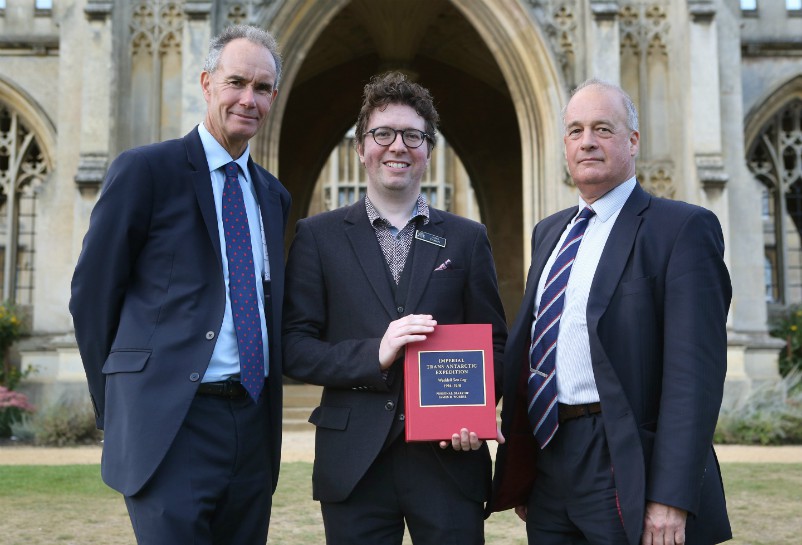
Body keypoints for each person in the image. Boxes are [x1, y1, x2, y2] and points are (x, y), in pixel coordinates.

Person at [69, 25, 290, 544]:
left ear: (273, 97)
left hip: (252, 426)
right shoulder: (147, 170)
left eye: (262, 89)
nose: (248, 99)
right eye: (236, 82)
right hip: (170, 426)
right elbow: (92, 297)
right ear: (207, 82)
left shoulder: (273, 196)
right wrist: (125, 403)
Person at [490, 79, 732, 545]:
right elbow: (533, 350)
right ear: (564, 144)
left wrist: (671, 496)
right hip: (549, 458)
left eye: (603, 128)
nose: (587, 141)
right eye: (575, 130)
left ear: (633, 141)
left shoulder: (680, 229)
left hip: (625, 461)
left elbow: (694, 376)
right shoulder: (549, 233)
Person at [282, 71, 507, 544]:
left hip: (448, 461)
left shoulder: (467, 239)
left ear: (429, 149)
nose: (397, 146)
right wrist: (374, 354)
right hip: (354, 462)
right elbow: (295, 347)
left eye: (412, 136)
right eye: (382, 134)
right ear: (361, 148)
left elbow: (496, 346)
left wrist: (476, 412)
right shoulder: (317, 237)